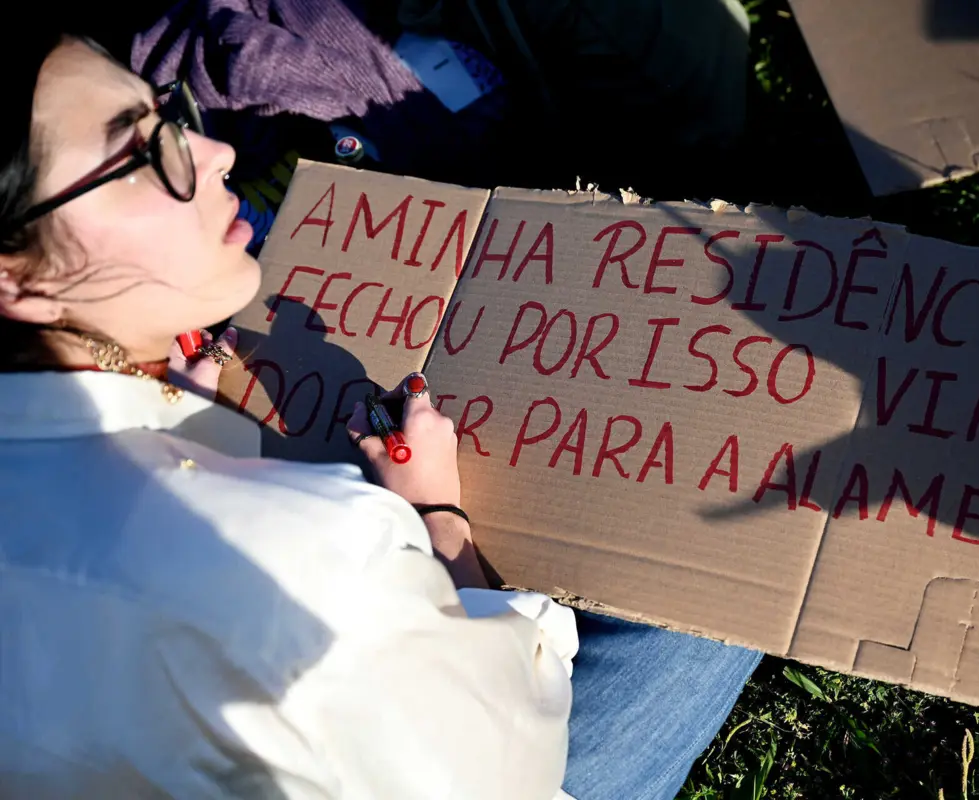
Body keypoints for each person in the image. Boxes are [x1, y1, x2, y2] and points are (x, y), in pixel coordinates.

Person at [0, 27, 761, 799]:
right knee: (723, 583)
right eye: (140, 155)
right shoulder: (315, 556)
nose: (213, 152)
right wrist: (435, 525)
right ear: (15, 279)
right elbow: (504, 767)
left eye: (170, 115)